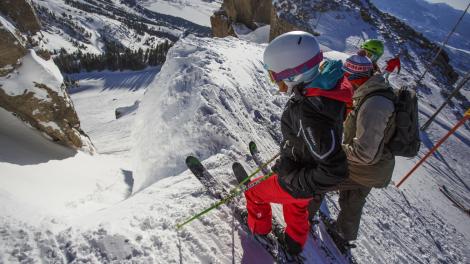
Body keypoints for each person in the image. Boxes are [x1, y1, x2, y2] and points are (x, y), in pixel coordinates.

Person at [244, 31, 352, 256]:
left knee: (253, 192)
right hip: (304, 176)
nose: (277, 83)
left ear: (295, 73)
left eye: (276, 77)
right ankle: (294, 242)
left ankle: (259, 228)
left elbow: (334, 171)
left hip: (297, 179)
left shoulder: (310, 112)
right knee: (297, 206)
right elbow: (318, 141)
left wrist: (293, 177)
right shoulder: (324, 87)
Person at [308, 50, 396, 250]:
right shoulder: (373, 92)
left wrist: (332, 148)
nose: (345, 83)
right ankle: (343, 233)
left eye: (347, 78)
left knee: (318, 178)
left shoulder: (375, 103)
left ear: (357, 77)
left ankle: (300, 218)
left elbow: (364, 153)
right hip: (377, 167)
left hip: (368, 165)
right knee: (353, 196)